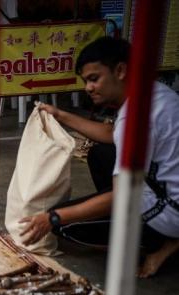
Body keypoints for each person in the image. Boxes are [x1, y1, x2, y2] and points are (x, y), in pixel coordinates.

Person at [20, 37, 179, 277]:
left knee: (65, 226)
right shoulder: (155, 93)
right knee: (99, 153)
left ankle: (159, 242)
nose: (88, 88)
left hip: (171, 211)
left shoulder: (134, 118)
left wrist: (52, 217)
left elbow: (122, 195)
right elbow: (109, 133)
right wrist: (59, 114)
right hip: (167, 188)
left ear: (120, 70)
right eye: (86, 81)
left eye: (94, 79)